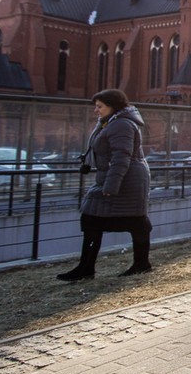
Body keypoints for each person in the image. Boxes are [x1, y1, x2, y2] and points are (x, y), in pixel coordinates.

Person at [57, 89, 153, 281]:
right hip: (118, 178)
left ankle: (138, 264)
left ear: (113, 106)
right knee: (100, 220)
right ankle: (88, 267)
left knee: (133, 222)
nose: (96, 110)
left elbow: (121, 157)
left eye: (100, 106)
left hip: (126, 181)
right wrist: (87, 163)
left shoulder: (122, 125)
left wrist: (111, 186)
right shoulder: (111, 122)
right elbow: (103, 151)